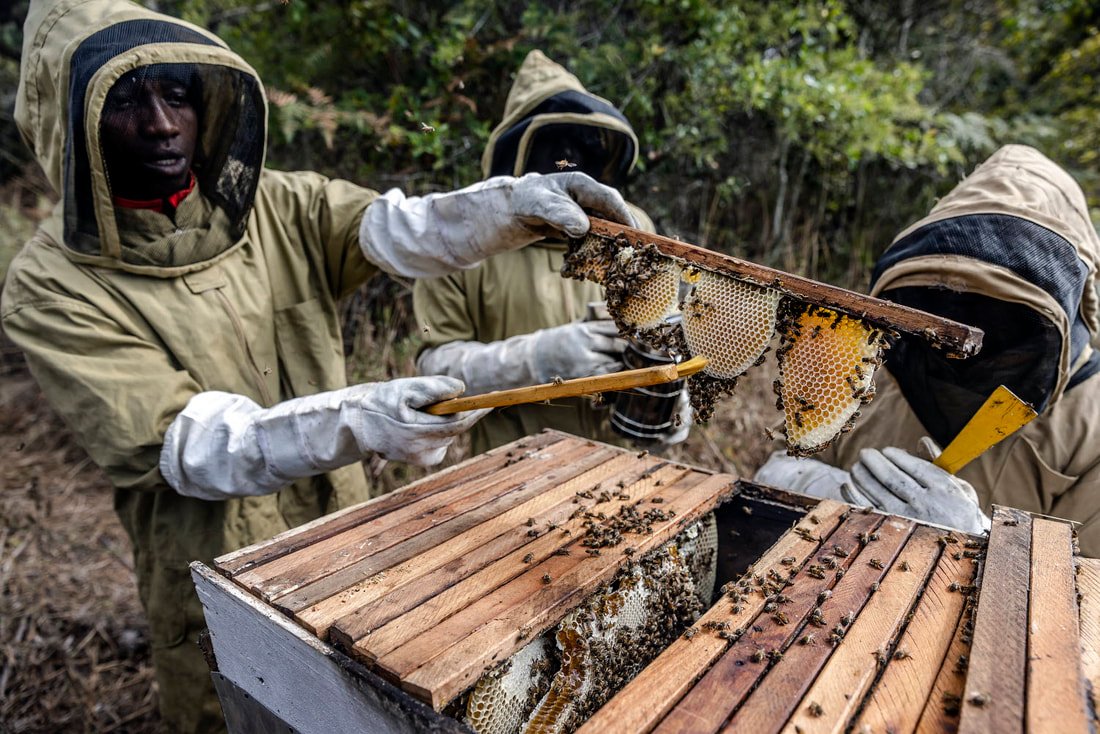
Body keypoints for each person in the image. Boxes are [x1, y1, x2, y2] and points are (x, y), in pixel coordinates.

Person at [3, 2, 637, 732]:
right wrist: (358, 416)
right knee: (248, 710)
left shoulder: (275, 203)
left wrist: (510, 207)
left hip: (346, 532)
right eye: (124, 102)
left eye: (175, 93)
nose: (161, 123)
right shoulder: (49, 285)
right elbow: (186, 445)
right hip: (216, 566)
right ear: (69, 122)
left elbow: (400, 228)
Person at [755, 145, 1100, 554]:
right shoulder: (873, 364)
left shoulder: (1089, 428)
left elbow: (1087, 604)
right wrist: (818, 487)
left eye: (998, 316)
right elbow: (781, 462)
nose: (964, 339)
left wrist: (985, 540)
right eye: (943, 303)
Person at [413, 50, 688, 454]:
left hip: (621, 467)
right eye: (554, 145)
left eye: (582, 144)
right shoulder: (461, 237)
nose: (569, 159)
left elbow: (664, 332)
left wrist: (673, 399)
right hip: (512, 470)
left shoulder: (634, 229)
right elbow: (433, 372)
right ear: (517, 152)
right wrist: (536, 360)